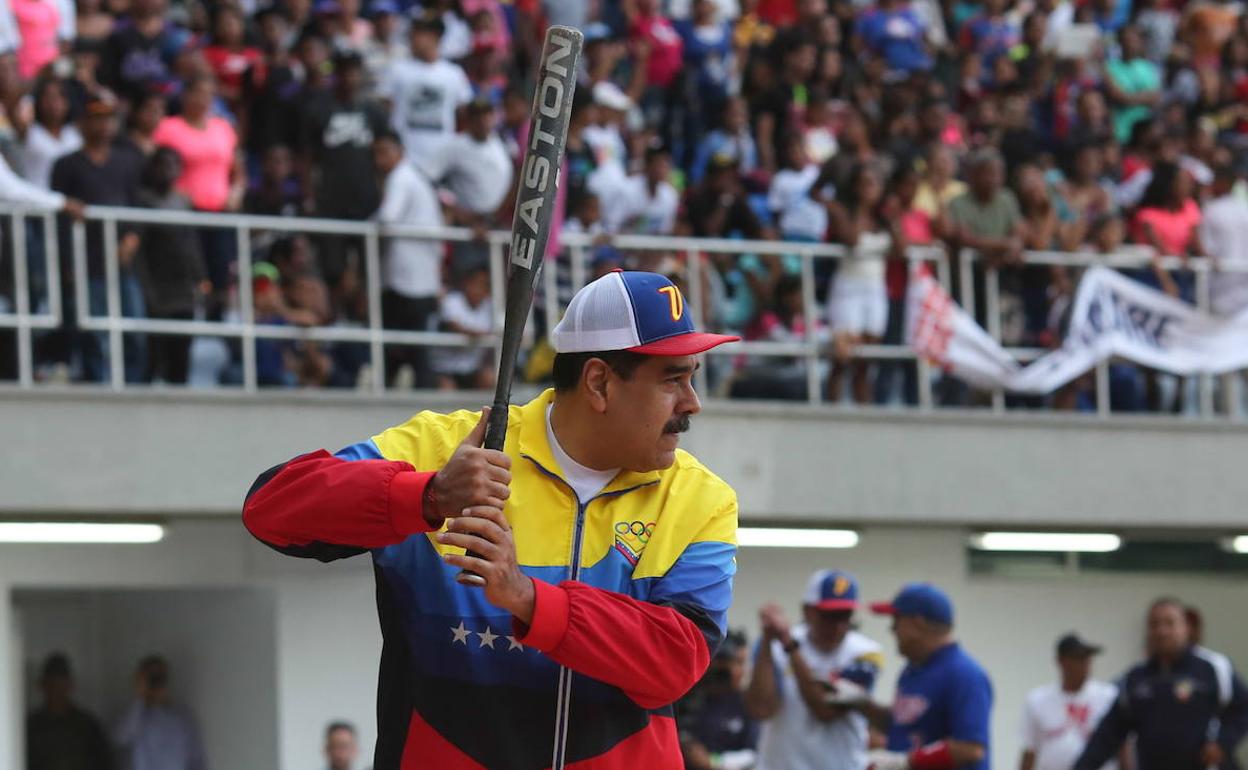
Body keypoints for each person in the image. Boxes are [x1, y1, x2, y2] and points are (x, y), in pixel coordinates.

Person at [242, 269, 740, 768]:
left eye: (692, 376)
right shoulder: (442, 450)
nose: (692, 402)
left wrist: (527, 599)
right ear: (599, 383)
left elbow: (676, 662)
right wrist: (429, 496)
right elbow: (270, 510)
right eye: (673, 379)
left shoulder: (703, 499)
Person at [1074, 598, 1248, 770]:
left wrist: (1223, 743)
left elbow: (1243, 708)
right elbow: (1107, 735)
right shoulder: (1135, 678)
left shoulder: (1213, 668)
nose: (1162, 631)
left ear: (1185, 627)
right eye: (1154, 624)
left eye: (1169, 623)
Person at [744, 569, 884, 770]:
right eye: (829, 616)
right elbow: (761, 709)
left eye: (845, 616)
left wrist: (791, 647)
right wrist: (767, 638)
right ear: (807, 611)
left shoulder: (866, 652)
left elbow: (825, 709)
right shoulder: (774, 645)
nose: (838, 626)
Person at [859, 583, 992, 770]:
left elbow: (970, 748)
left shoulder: (964, 673)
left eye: (896, 620)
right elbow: (904, 723)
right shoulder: (912, 670)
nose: (892, 629)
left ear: (917, 623)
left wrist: (904, 762)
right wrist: (861, 704)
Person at [371, 129, 444, 388]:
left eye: (384, 152)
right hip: (421, 277)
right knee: (416, 344)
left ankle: (393, 386)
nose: (379, 160)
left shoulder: (400, 178)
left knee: (402, 344)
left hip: (405, 278)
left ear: (399, 152)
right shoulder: (416, 178)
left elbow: (387, 218)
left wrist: (367, 225)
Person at [133, 147, 205, 384]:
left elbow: (192, 242)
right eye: (163, 165)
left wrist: (200, 276)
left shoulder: (182, 201)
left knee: (181, 350)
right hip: (156, 285)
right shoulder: (142, 201)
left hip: (182, 288)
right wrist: (146, 289)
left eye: (174, 165)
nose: (169, 171)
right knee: (153, 352)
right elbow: (139, 252)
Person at [380, 11, 472, 162]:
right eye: (413, 32)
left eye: (419, 33)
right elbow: (385, 110)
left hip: (441, 158)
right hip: (403, 158)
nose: (413, 37)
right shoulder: (397, 69)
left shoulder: (454, 73)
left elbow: (464, 115)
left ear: (435, 36)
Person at [1019, 634, 1121, 770]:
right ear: (1061, 661)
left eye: (1088, 658)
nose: (1085, 664)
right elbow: (1030, 750)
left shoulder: (1108, 696)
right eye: (1078, 658)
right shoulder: (1038, 700)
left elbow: (1123, 744)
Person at [679, 629, 759, 770]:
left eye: (740, 663)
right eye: (729, 662)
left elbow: (752, 755)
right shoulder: (688, 694)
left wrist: (713, 761)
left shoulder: (747, 702)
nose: (734, 669)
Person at [113, 655, 206, 770]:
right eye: (153, 679)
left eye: (162, 678)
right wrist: (141, 697)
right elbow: (119, 739)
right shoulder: (134, 716)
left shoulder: (182, 717)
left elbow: (197, 759)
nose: (157, 683)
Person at [26, 652, 114, 770]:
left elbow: (105, 762)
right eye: (52, 685)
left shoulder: (88, 725)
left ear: (70, 685)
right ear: (42, 686)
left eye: (61, 685)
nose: (56, 692)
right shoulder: (32, 726)